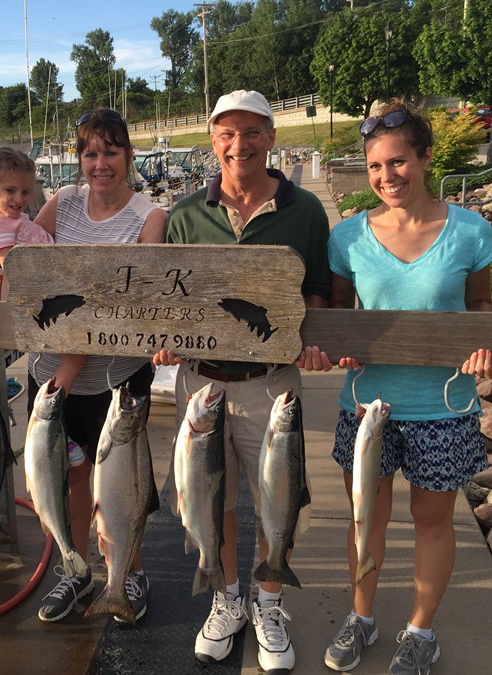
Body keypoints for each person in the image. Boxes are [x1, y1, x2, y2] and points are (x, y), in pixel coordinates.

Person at [297, 101, 492, 674]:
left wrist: (485, 350)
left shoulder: (469, 230)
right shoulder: (349, 238)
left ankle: (420, 630)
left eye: (399, 162)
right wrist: (329, 347)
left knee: (433, 523)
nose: (387, 177)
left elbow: (480, 306)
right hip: (365, 407)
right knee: (368, 520)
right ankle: (360, 616)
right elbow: (338, 315)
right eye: (377, 166)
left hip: (443, 405)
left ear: (425, 158)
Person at [152, 89, 331, 672]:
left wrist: (314, 339)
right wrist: (162, 336)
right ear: (213, 140)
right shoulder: (183, 214)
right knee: (213, 498)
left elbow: (318, 292)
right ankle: (227, 596)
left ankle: (270, 601)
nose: (239, 144)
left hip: (272, 382)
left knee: (277, 496)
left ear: (271, 138)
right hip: (202, 382)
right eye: (227, 133)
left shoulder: (305, 210)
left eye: (251, 132)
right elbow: (169, 295)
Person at [30, 108, 167, 623]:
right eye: (90, 153)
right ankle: (75, 570)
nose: (100, 163)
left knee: (124, 484)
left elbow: (148, 295)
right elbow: (26, 259)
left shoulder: (150, 215)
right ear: (78, 158)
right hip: (54, 376)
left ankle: (126, 574)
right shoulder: (61, 202)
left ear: (128, 156)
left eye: (111, 151)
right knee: (72, 478)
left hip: (117, 380)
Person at [0, 146, 53, 270]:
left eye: (25, 192)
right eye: (10, 190)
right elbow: (12, 271)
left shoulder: (16, 219)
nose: (19, 199)